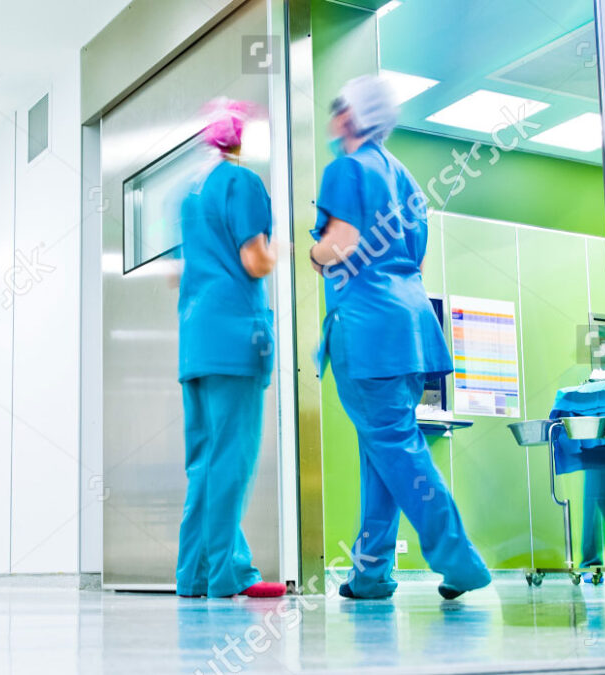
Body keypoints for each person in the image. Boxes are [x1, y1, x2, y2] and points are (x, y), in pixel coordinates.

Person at [310, 75, 491, 600]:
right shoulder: (404, 176)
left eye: (336, 109)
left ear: (350, 118)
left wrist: (313, 250)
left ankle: (460, 562)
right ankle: (370, 575)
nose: (331, 119)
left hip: (367, 333)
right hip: (410, 328)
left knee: (399, 451)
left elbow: (339, 245)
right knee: (383, 452)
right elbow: (414, 258)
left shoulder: (345, 169)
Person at [175, 99, 284, 599]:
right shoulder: (242, 183)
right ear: (241, 138)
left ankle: (193, 575)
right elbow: (255, 260)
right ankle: (227, 574)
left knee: (203, 460)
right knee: (232, 460)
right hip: (236, 338)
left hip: (196, 341)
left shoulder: (190, 196)